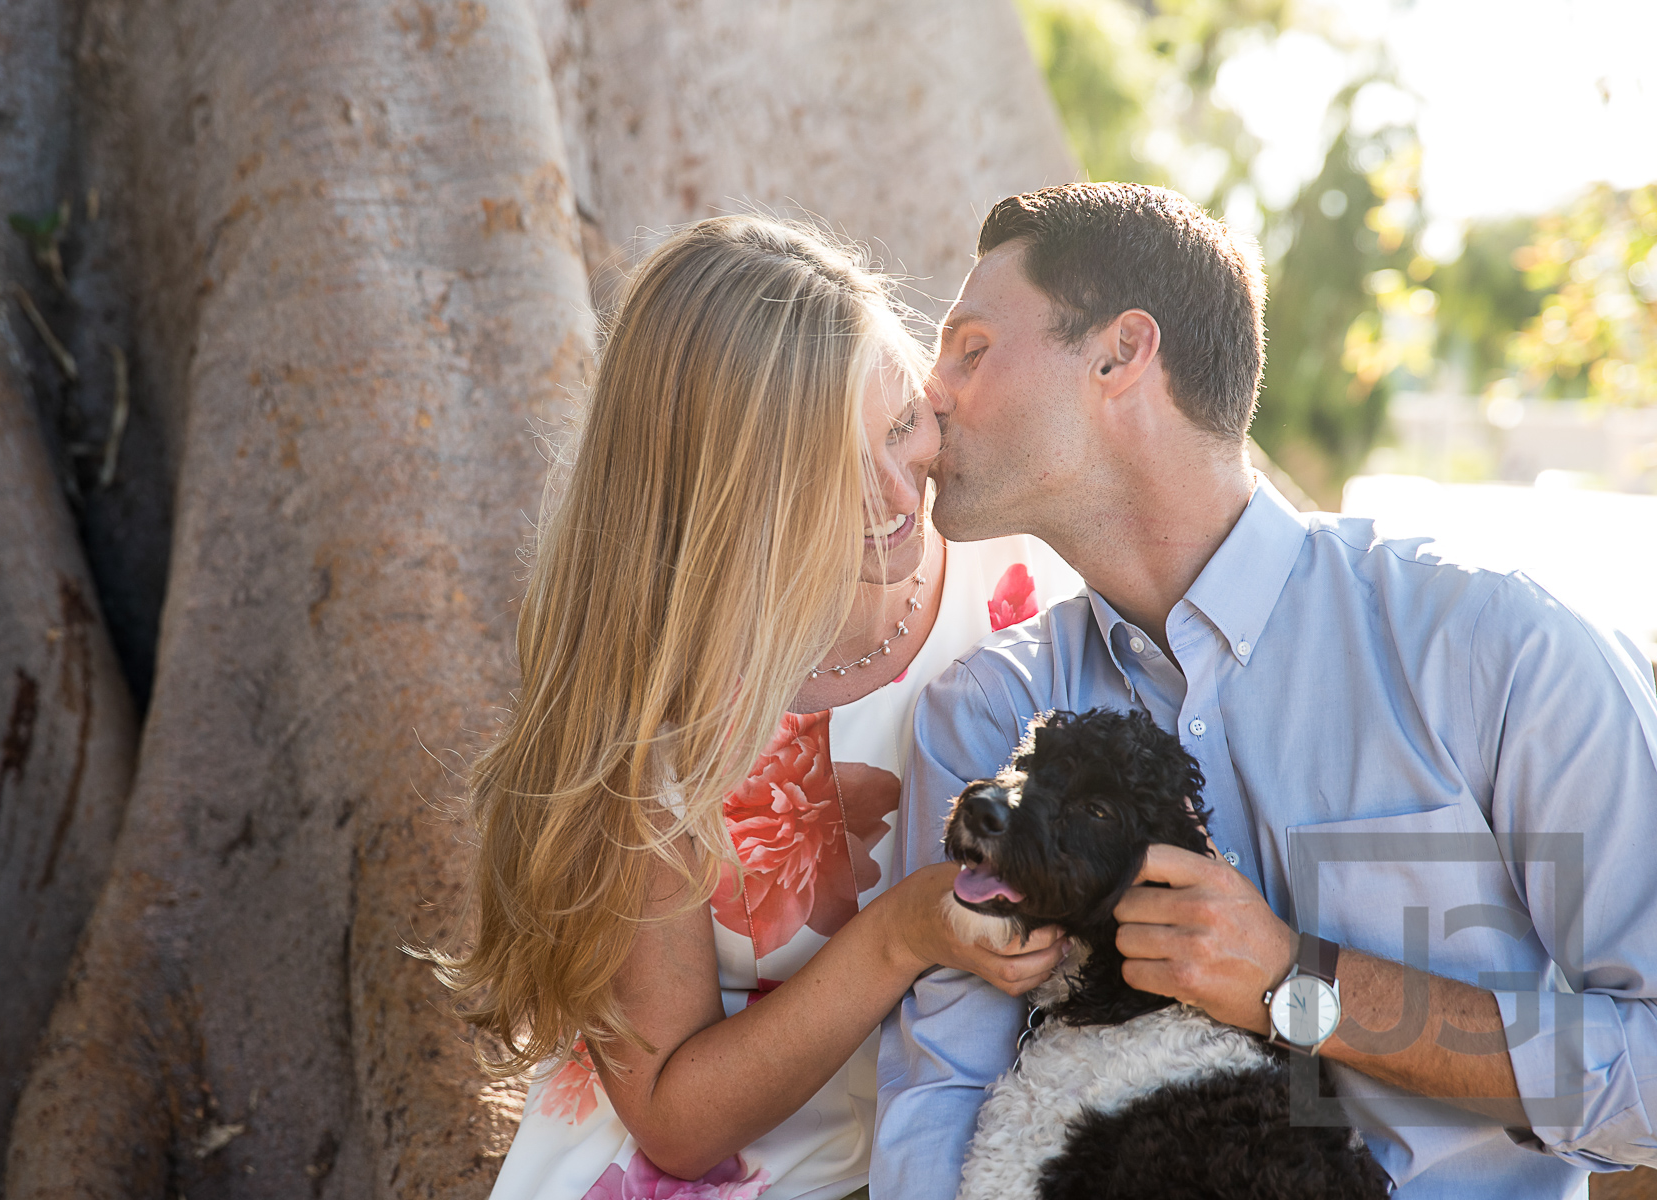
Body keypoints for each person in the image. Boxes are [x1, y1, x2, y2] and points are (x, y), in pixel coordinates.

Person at [872, 183, 1657, 1198]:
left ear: (1121, 354)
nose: (929, 395)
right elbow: (942, 1108)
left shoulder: (1495, 651)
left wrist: (1306, 991)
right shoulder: (985, 719)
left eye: (969, 348)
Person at [440, 215, 1080, 1200]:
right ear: (729, 497)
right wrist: (905, 933)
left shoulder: (1017, 572)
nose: (894, 497)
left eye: (900, 424)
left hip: (976, 1141)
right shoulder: (659, 707)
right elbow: (672, 1120)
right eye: (829, 474)